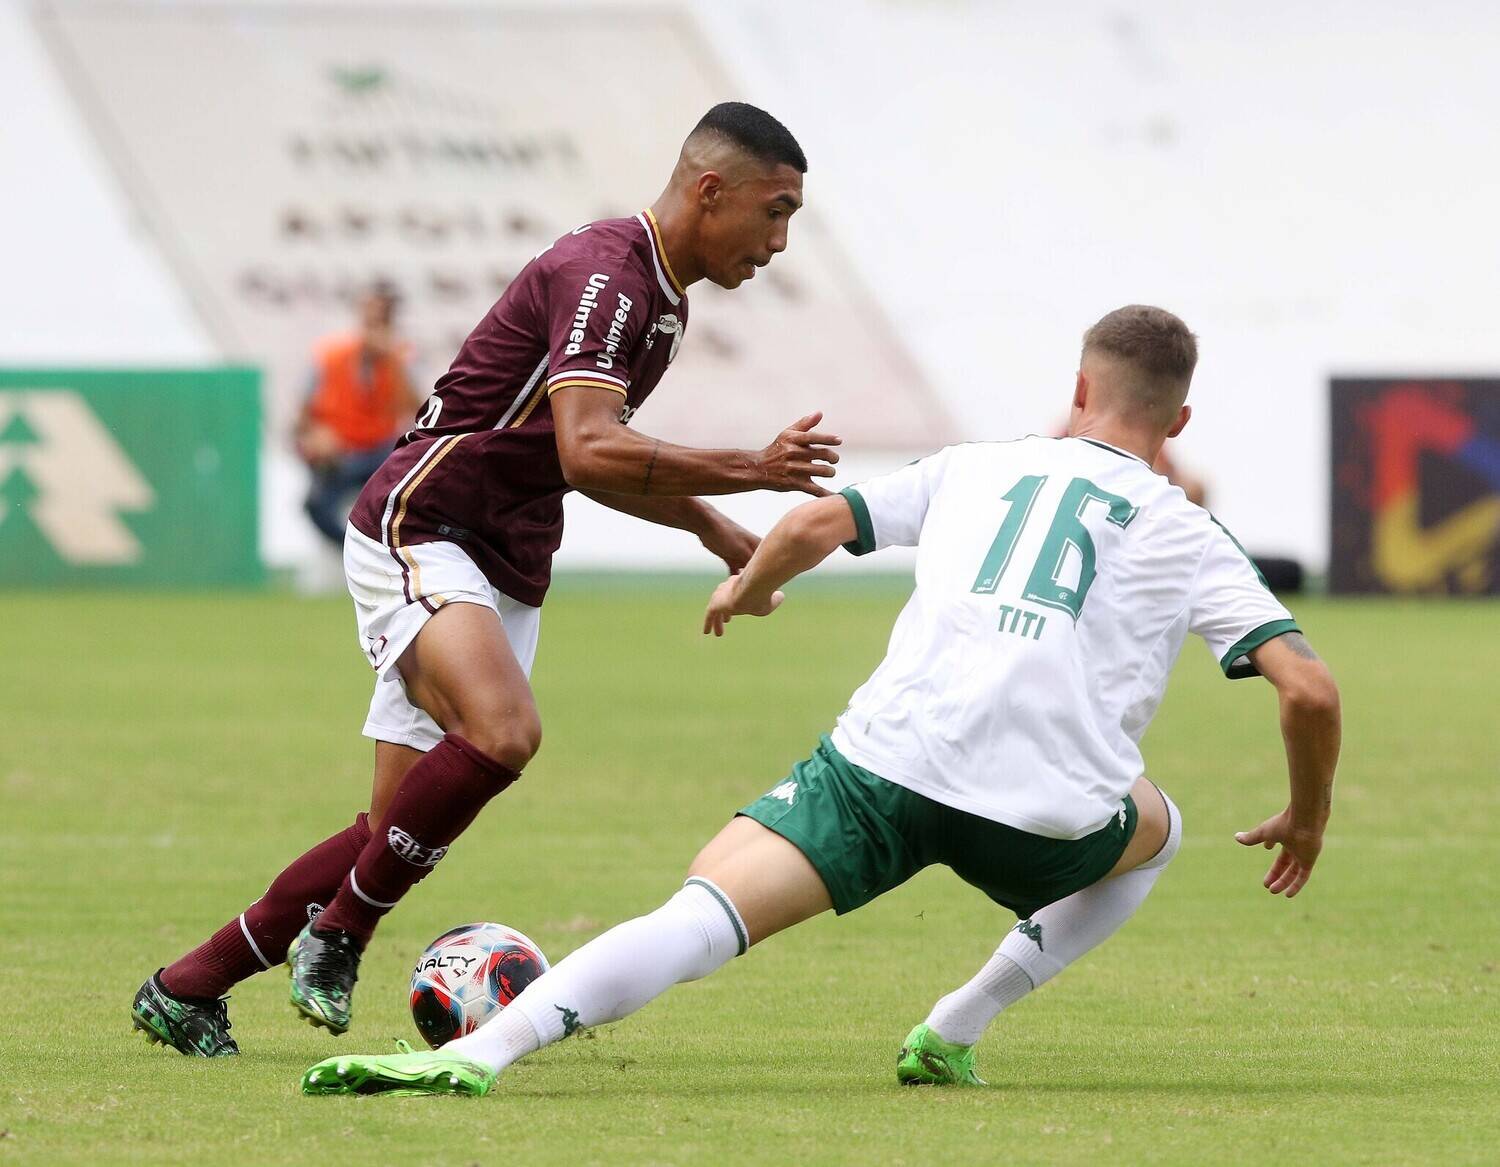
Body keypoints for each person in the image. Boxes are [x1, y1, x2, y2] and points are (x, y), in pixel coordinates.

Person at [298, 304, 1342, 1097]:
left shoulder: (979, 467)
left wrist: (746, 588)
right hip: (1042, 815)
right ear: (1181, 420)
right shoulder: (1187, 528)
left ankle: (483, 1052)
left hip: (886, 771)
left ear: (1078, 386)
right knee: (1155, 836)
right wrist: (1307, 813)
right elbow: (1308, 690)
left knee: (701, 916)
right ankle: (954, 1028)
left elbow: (809, 526)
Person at [132, 102, 838, 1056]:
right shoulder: (609, 276)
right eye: (776, 210)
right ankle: (340, 933)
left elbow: (589, 454)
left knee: (390, 828)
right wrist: (751, 469)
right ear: (711, 191)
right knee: (503, 733)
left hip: (506, 551)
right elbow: (592, 450)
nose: (781, 241)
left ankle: (189, 986)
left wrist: (714, 525)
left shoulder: (663, 301)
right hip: (425, 523)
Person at [295, 282, 422, 546]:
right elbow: (302, 417)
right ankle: (351, 551)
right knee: (316, 506)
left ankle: (385, 551)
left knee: (408, 502)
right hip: (341, 452)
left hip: (381, 451)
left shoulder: (401, 359)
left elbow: (415, 409)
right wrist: (315, 436)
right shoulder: (331, 355)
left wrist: (394, 363)